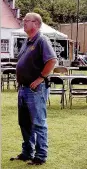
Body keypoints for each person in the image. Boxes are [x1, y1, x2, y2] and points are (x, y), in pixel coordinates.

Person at [11, 12, 57, 165]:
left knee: (38, 123)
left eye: (27, 21)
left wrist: (40, 78)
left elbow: (52, 60)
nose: (23, 23)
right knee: (24, 122)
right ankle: (27, 152)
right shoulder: (28, 41)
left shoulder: (41, 40)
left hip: (35, 89)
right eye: (23, 20)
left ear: (36, 24)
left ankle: (41, 156)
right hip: (24, 89)